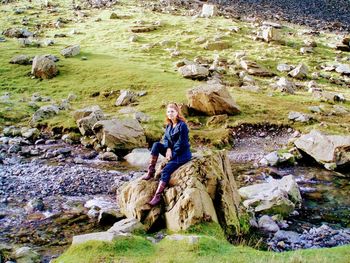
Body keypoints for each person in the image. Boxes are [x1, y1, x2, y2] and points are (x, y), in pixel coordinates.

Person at [142, 103, 192, 206]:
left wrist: (171, 155)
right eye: (168, 112)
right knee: (156, 145)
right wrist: (168, 149)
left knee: (165, 171)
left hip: (181, 154)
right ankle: (150, 171)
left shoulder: (182, 126)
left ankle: (157, 196)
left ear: (177, 112)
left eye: (172, 111)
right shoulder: (169, 125)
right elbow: (166, 139)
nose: (170, 114)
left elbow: (181, 144)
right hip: (172, 151)